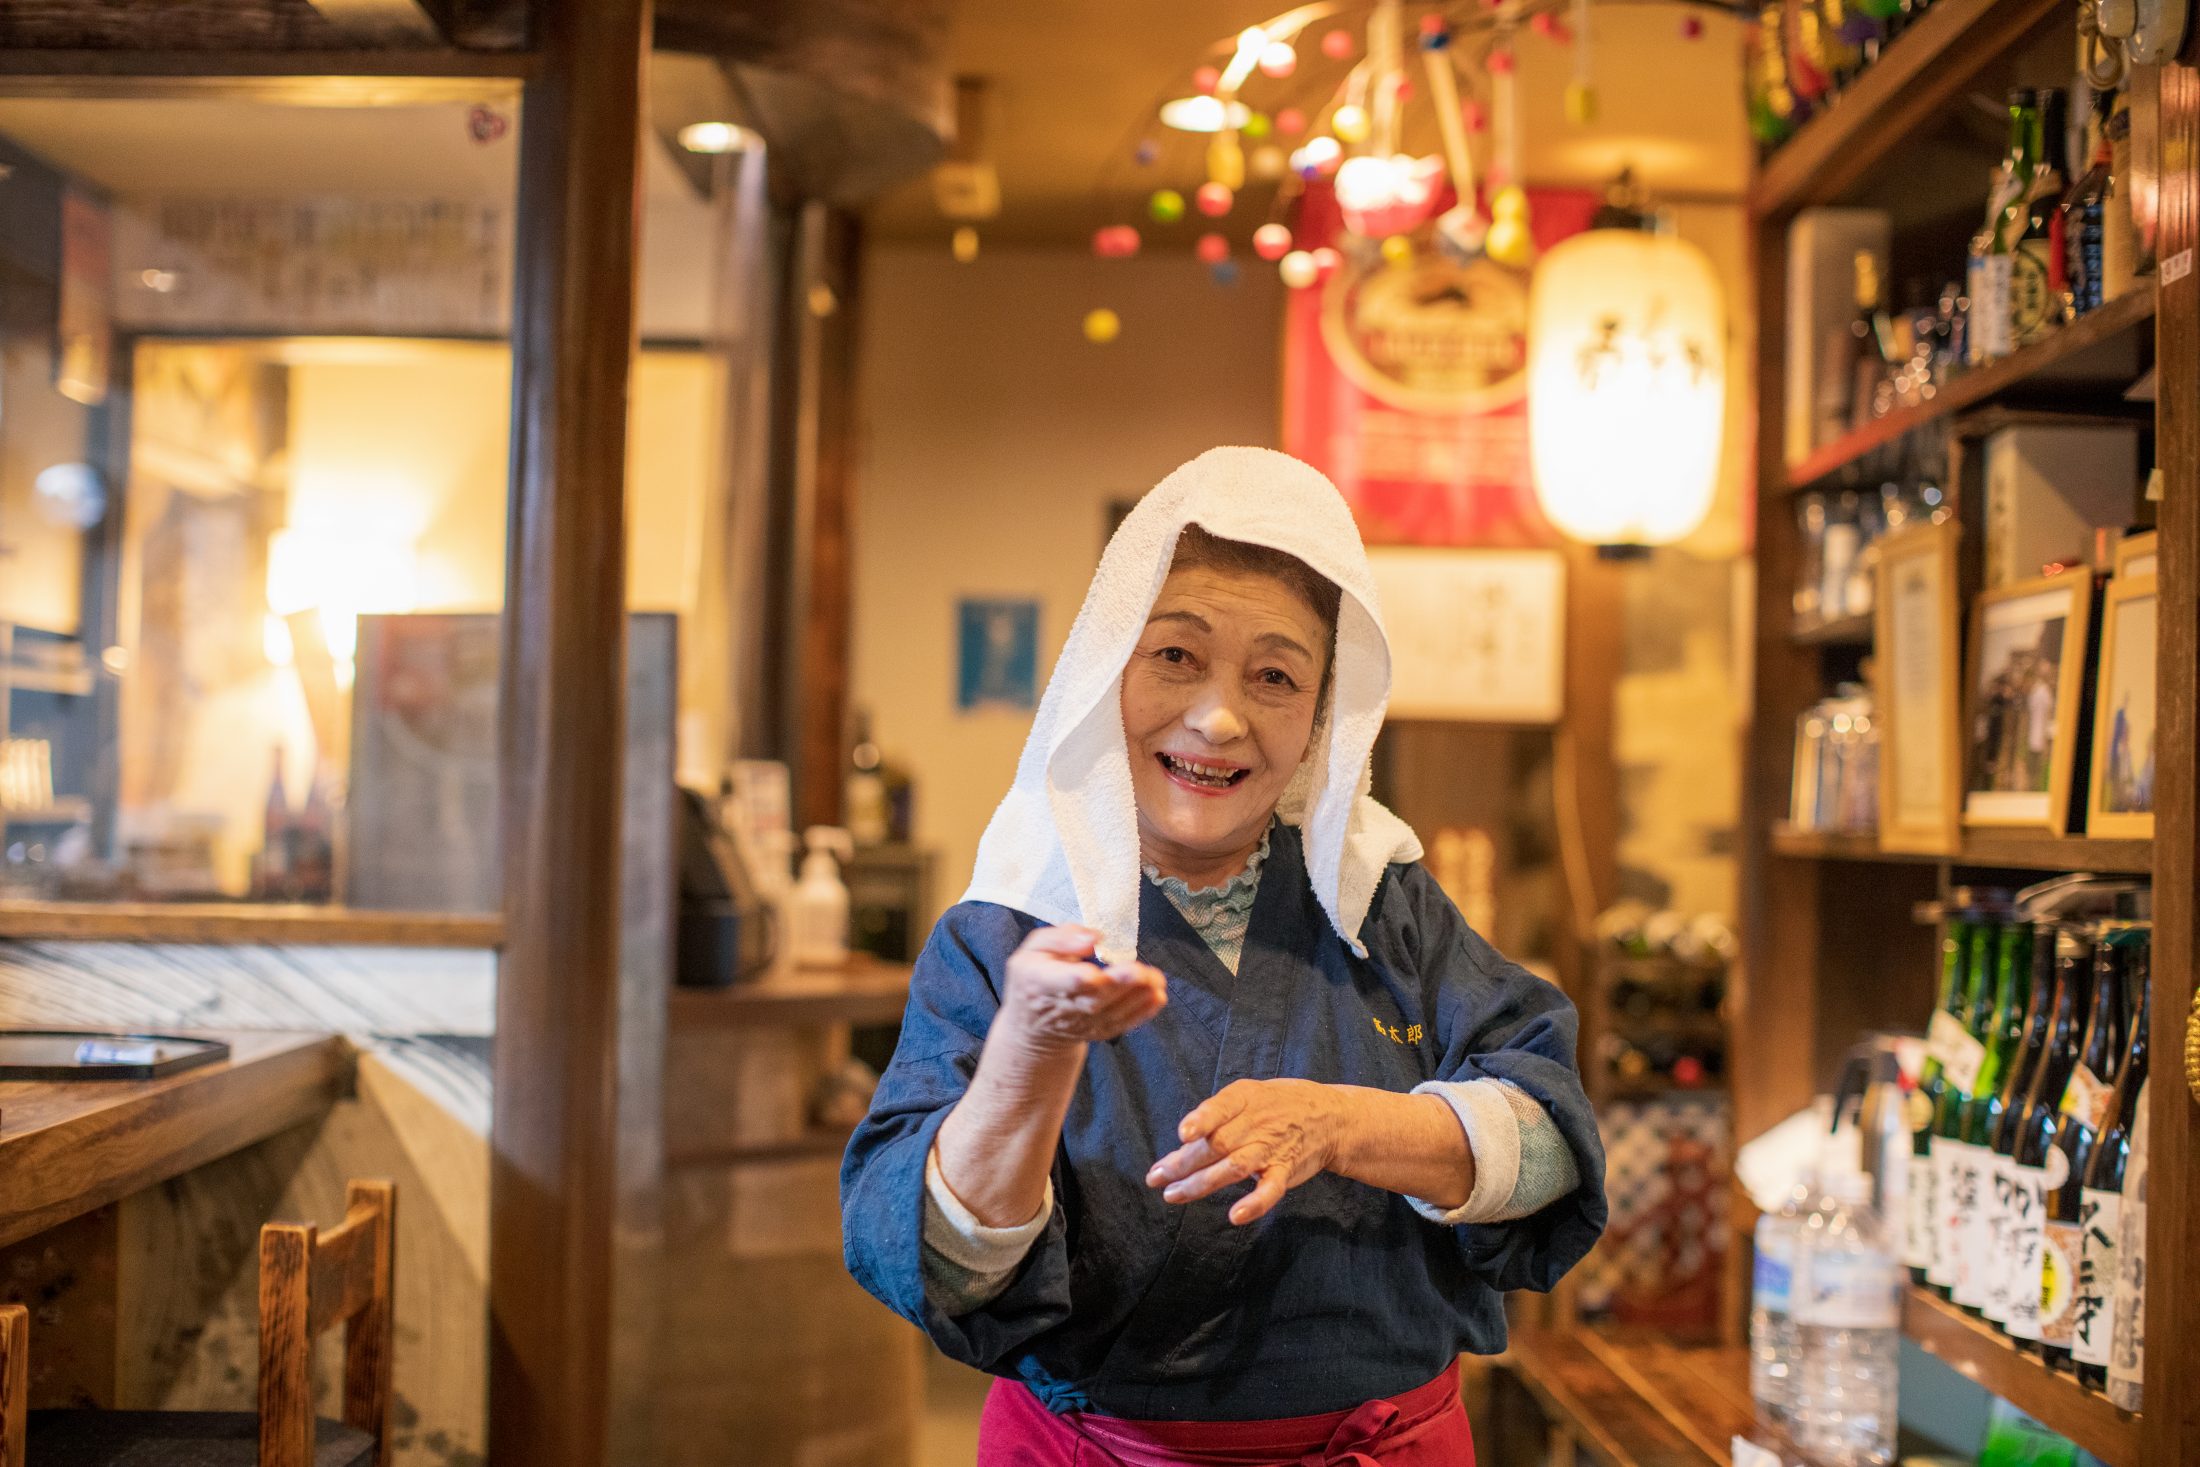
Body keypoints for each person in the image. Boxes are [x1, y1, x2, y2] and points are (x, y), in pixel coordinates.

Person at [841, 447, 1606, 1464]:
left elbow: (1552, 1142)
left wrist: (1345, 1122)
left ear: (1322, 716)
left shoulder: (1382, 905)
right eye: (1174, 656)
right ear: (1108, 665)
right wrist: (1030, 1049)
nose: (1216, 717)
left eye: (1274, 676)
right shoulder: (1008, 931)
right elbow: (942, 1264)